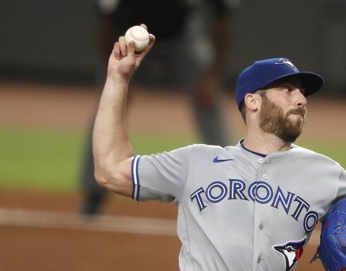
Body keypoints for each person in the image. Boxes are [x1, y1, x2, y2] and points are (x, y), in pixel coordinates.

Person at [93, 25, 346, 271]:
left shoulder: (326, 174)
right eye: (288, 90)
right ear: (253, 101)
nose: (301, 99)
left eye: (302, 93)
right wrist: (118, 77)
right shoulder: (197, 162)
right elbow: (110, 169)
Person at [80, 0, 238, 215]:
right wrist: (115, 82)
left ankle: (235, 190)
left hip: (182, 40)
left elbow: (222, 20)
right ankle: (94, 195)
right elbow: (106, 26)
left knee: (208, 103)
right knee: (107, 107)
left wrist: (211, 77)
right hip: (130, 43)